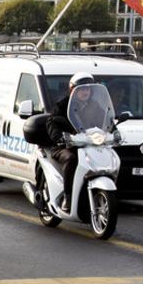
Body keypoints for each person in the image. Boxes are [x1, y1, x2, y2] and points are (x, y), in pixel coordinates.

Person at [47, 72, 98, 212]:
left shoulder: (94, 106)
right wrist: (60, 138)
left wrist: (114, 132)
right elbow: (52, 122)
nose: (85, 92)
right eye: (81, 89)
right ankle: (67, 197)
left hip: (87, 145)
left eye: (87, 89)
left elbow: (105, 120)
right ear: (73, 90)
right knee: (71, 159)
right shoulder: (63, 105)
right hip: (65, 146)